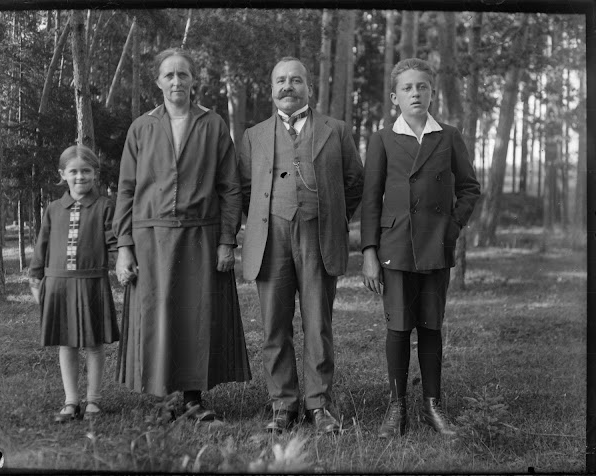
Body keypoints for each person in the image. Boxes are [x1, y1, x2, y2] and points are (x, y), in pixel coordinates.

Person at [113, 48, 251, 421]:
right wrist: (124, 246)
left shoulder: (213, 124)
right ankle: (165, 397)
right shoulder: (142, 127)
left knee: (197, 315)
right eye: (169, 75)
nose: (176, 81)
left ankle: (193, 399)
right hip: (150, 238)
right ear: (158, 81)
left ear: (194, 81)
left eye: (183, 75)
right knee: (157, 313)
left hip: (200, 236)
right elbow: (126, 189)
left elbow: (231, 187)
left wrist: (226, 239)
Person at [238, 57, 364, 434]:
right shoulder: (253, 135)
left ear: (309, 87)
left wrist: (330, 217)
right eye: (280, 81)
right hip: (270, 237)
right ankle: (283, 404)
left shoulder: (336, 130)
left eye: (295, 80)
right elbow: (244, 189)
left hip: (318, 235)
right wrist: (269, 214)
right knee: (274, 324)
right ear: (272, 88)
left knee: (317, 323)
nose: (287, 86)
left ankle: (319, 404)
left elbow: (354, 182)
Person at [361, 58, 481, 439]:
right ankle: (396, 407)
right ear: (395, 96)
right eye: (408, 88)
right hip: (395, 245)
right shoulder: (382, 138)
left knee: (431, 325)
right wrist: (368, 252)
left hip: (435, 245)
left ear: (432, 92)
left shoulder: (448, 135)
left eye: (423, 87)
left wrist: (453, 225)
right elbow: (370, 199)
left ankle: (432, 404)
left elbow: (469, 188)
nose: (416, 93)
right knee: (398, 327)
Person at [29, 144, 119, 423]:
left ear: (95, 173)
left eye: (86, 171)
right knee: (65, 343)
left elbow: (114, 242)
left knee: (93, 343)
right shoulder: (54, 209)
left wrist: (123, 264)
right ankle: (71, 401)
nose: (80, 177)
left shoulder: (105, 205)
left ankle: (93, 400)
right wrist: (35, 277)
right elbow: (41, 245)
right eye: (73, 171)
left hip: (91, 282)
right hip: (58, 284)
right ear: (62, 174)